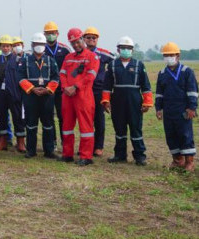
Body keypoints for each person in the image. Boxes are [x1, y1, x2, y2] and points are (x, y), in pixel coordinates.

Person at [101, 36, 153, 166]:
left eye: (128, 48)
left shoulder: (139, 65)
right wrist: (106, 101)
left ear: (132, 50)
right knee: (119, 129)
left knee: (136, 129)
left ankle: (140, 156)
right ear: (118, 50)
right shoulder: (112, 65)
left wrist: (147, 103)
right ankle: (120, 155)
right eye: (123, 48)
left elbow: (146, 86)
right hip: (117, 101)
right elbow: (107, 86)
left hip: (134, 101)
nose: (125, 50)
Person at [59, 28, 100, 166]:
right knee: (67, 126)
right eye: (73, 43)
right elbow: (62, 74)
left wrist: (75, 87)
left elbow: (90, 76)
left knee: (86, 127)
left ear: (82, 39)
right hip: (67, 96)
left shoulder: (92, 57)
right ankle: (67, 154)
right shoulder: (68, 57)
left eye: (77, 42)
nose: (75, 45)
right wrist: (65, 88)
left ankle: (86, 156)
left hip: (83, 96)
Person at [155, 42, 197, 172]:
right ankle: (177, 160)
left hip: (183, 110)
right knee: (171, 135)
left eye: (171, 54)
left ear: (178, 55)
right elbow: (159, 94)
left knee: (185, 135)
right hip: (168, 111)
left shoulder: (187, 71)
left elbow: (193, 91)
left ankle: (189, 162)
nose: (169, 57)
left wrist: (192, 107)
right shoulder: (162, 73)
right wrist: (158, 109)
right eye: (166, 55)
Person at [17, 33, 59, 159]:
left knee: (48, 124)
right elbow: (20, 77)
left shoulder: (51, 61)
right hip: (31, 96)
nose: (39, 46)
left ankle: (49, 151)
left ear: (45, 45)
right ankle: (31, 150)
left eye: (41, 44)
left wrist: (47, 89)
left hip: (47, 97)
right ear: (32, 45)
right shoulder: (25, 60)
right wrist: (32, 88)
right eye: (37, 44)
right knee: (31, 124)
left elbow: (56, 77)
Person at [0, 35, 25, 152]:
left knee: (17, 116)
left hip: (14, 90)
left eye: (8, 46)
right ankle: (2, 142)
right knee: (1, 116)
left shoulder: (17, 59)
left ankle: (20, 142)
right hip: (0, 90)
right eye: (3, 46)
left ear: (11, 47)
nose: (6, 48)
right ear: (0, 47)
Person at [83, 26, 114, 157]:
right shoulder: (80, 53)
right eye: (88, 37)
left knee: (99, 119)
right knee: (85, 119)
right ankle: (87, 146)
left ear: (97, 39)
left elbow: (115, 63)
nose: (91, 40)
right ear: (84, 39)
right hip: (84, 89)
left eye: (93, 38)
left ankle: (98, 146)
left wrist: (106, 75)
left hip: (98, 90)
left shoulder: (103, 53)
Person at [43, 21, 71, 146]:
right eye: (48, 33)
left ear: (57, 34)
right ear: (44, 35)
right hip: (47, 88)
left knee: (62, 116)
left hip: (61, 89)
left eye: (52, 33)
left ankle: (65, 142)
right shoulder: (41, 49)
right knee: (48, 116)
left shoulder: (65, 49)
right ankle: (52, 142)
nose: (50, 36)